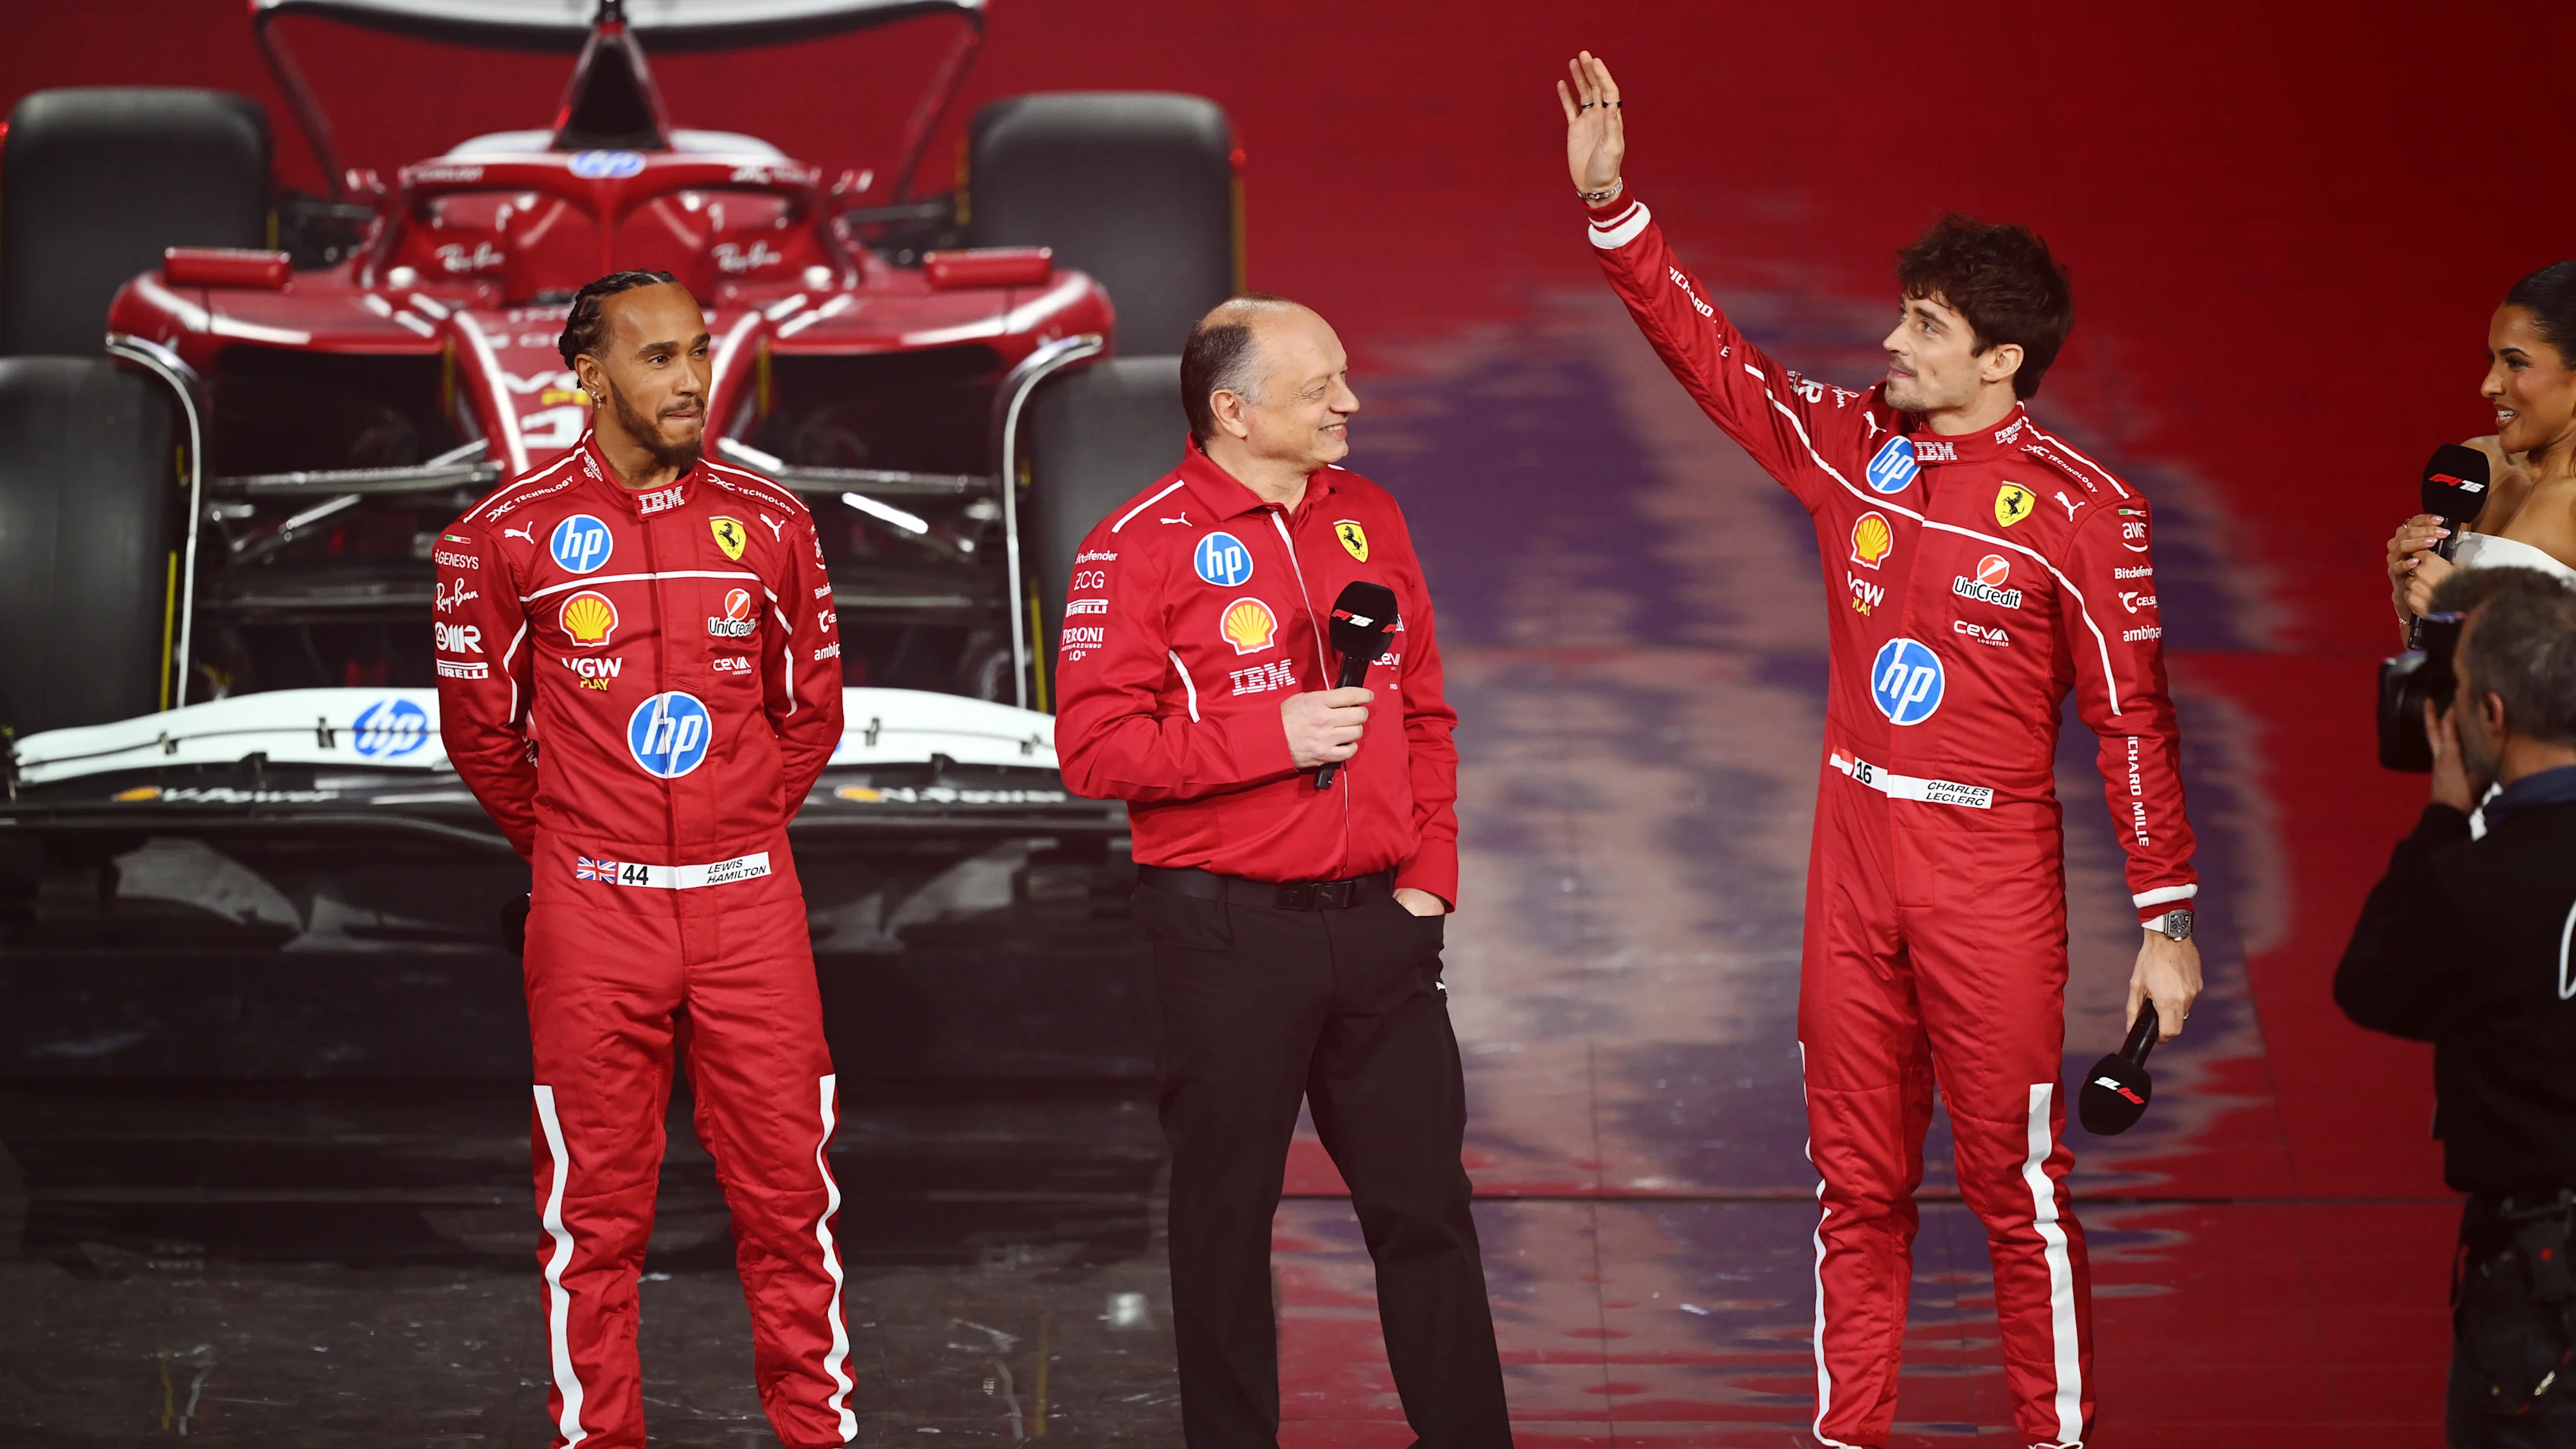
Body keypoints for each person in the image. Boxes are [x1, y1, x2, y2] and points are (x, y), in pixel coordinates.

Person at [1558, 52, 2204, 1449]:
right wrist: (1617, 213)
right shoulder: (1855, 447)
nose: (1891, 340)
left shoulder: (2085, 514)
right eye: (1902, 312)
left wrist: (2165, 918)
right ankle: (1847, 1432)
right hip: (1850, 849)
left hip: (1987, 867)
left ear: (2000, 359)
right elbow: (1714, 360)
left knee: (2009, 1186)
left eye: (1923, 324)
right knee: (1853, 1183)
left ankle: (2055, 1437)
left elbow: (2130, 718)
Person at [1053, 295, 1510, 1447]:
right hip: (1224, 941)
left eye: (1343, 380)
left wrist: (1430, 882)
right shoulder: (1135, 542)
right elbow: (1093, 752)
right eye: (1321, 391)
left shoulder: (1374, 517)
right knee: (1223, 1227)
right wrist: (1276, 738)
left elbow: (1431, 712)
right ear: (1234, 411)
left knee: (1427, 1215)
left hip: (1382, 931)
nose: (1349, 404)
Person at [434, 270, 852, 1449]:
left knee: (791, 1209)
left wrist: (730, 829)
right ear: (588, 375)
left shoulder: (774, 524)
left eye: (698, 353)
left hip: (751, 908)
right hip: (592, 919)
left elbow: (807, 713)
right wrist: (584, 846)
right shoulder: (497, 537)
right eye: (659, 358)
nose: (689, 379)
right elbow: (483, 736)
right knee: (592, 1223)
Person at [2335, 565, 2576, 1448]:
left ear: (2491, 718)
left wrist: (2443, 815)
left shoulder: (2469, 886)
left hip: (2540, 1290)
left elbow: (2368, 984)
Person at [2387, 263, 2576, 645]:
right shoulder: (2476, 466)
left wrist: (2469, 604)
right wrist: (2408, 603)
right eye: (2493, 360)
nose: (2489, 385)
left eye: (2516, 362)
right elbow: (2434, 659)